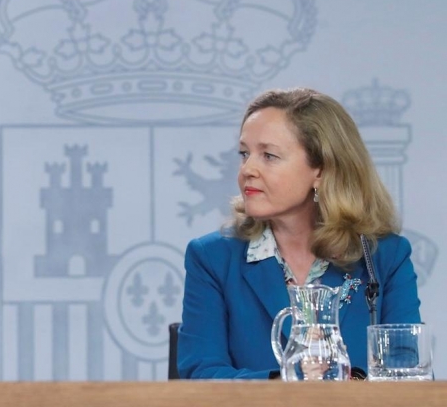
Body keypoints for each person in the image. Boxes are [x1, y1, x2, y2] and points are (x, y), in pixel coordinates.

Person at [177, 88, 421, 379]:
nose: (247, 169)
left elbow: (406, 375)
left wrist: (344, 386)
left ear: (321, 170)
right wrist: (287, 383)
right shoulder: (213, 257)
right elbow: (201, 375)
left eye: (268, 155)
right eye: (245, 153)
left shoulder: (384, 257)